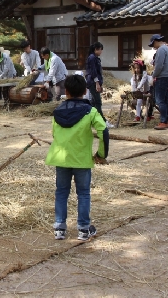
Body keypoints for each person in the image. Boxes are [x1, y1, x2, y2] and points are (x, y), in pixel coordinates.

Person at [45, 74, 109, 241]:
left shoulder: (57, 111)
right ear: (85, 91)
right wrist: (101, 154)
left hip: (61, 159)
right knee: (83, 193)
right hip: (81, 159)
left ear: (66, 91)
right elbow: (103, 131)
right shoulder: (91, 111)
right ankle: (83, 228)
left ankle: (59, 228)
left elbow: (53, 133)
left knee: (61, 193)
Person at [85, 42, 113, 128]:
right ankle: (103, 121)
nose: (101, 51)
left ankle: (90, 120)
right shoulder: (92, 58)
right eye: (100, 49)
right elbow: (93, 71)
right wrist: (97, 83)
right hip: (93, 82)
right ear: (96, 49)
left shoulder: (95, 58)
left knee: (93, 103)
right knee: (97, 102)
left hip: (94, 82)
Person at [150, 34, 168, 130]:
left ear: (155, 41)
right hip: (167, 76)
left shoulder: (160, 50)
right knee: (166, 100)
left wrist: (153, 76)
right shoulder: (167, 49)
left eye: (153, 44)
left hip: (161, 77)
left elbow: (159, 66)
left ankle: (163, 121)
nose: (153, 47)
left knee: (160, 100)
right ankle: (166, 120)